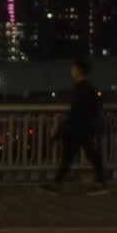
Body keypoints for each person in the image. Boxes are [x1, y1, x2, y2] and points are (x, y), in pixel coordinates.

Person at [44, 58, 108, 195]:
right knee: (88, 156)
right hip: (85, 128)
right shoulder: (89, 88)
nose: (71, 72)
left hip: (78, 128)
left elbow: (75, 111)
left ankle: (57, 185)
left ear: (79, 71)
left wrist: (59, 131)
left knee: (72, 157)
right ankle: (100, 184)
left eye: (73, 69)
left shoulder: (81, 89)